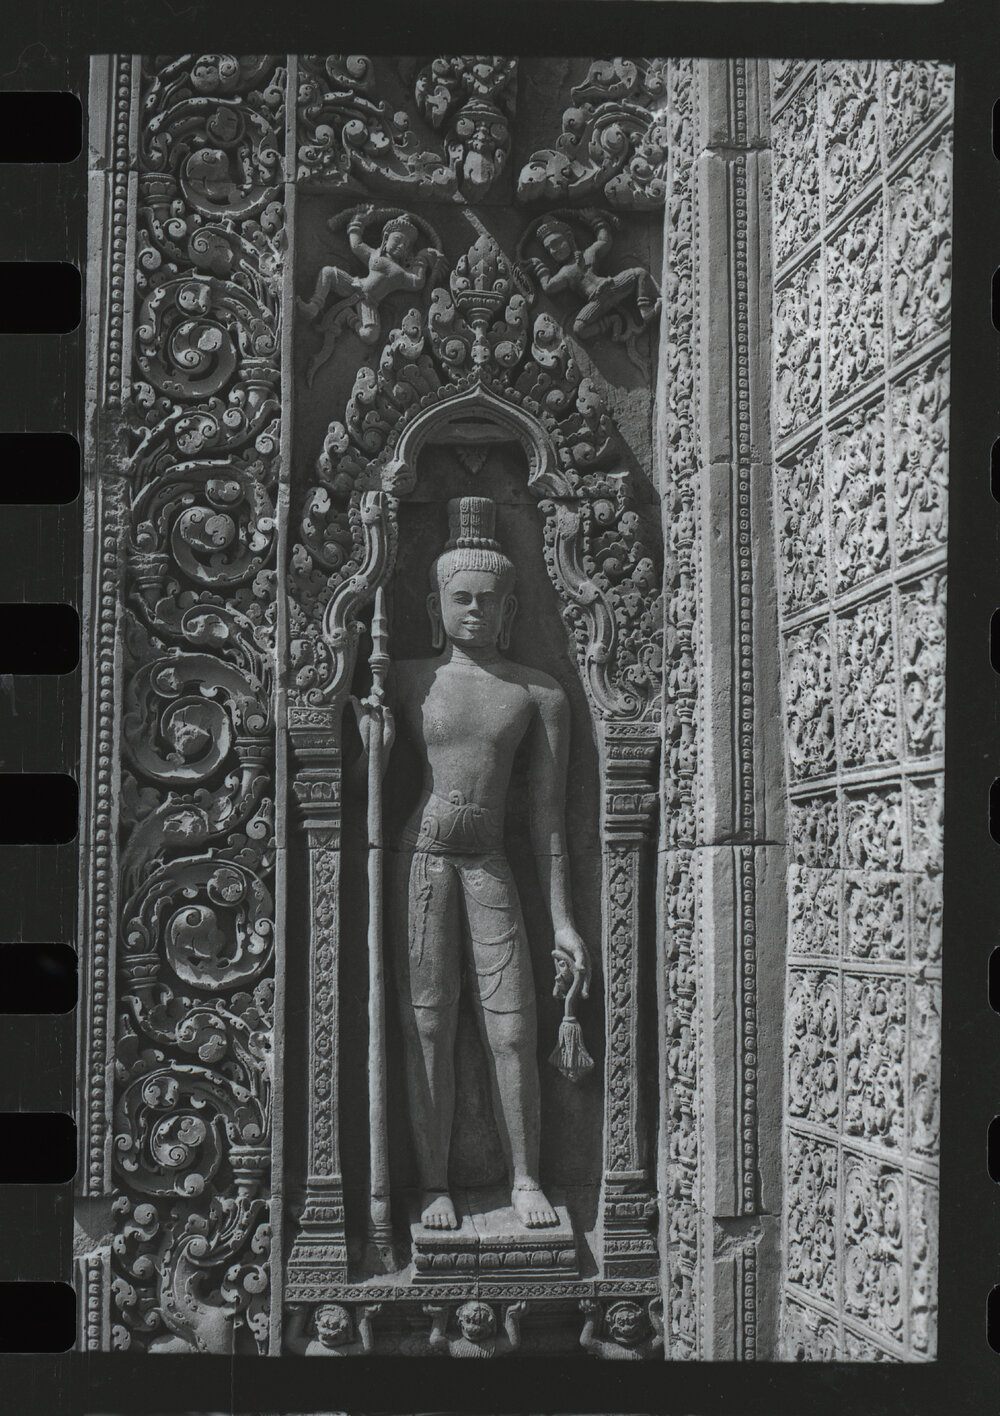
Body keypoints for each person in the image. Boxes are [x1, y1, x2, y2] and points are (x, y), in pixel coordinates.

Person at [356, 496, 590, 1232]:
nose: (476, 611)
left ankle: (525, 1177)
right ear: (435, 605)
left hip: (489, 865)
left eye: (491, 601)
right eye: (461, 599)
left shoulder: (537, 692)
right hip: (421, 862)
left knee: (513, 1028)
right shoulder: (406, 676)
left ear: (512, 608)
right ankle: (433, 1183)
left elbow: (547, 822)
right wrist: (375, 741)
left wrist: (564, 922)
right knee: (428, 1027)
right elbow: (371, 769)